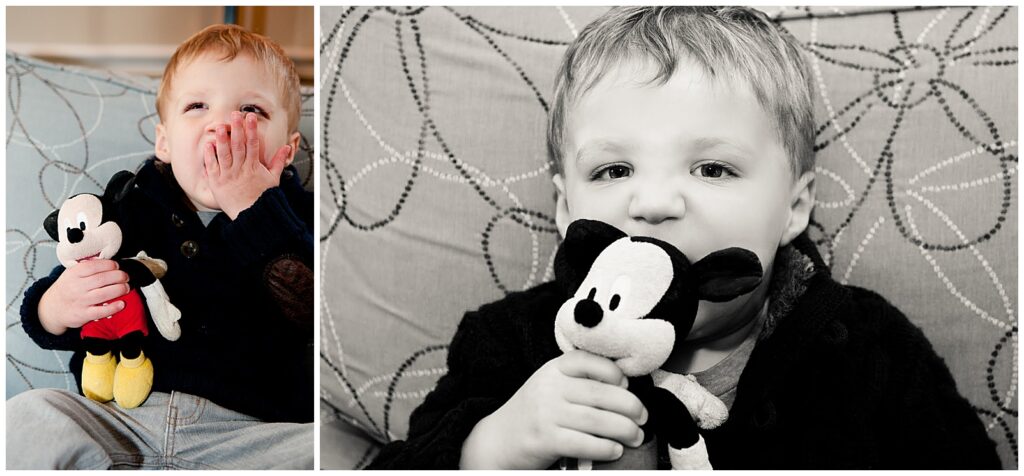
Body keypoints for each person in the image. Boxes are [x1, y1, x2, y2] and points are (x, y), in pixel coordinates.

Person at [369, 6, 1000, 470]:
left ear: (794, 207)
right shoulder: (509, 343)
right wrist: (491, 447)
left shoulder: (865, 351)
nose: (654, 203)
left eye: (714, 168)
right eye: (614, 170)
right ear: (565, 209)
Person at [8, 24, 313, 470]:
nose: (221, 125)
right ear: (164, 142)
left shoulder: (297, 221)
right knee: (27, 420)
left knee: (316, 452)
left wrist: (257, 212)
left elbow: (311, 312)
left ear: (286, 151)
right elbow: (74, 277)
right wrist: (53, 307)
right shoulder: (131, 207)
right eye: (197, 106)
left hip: (253, 435)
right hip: (118, 422)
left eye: (251, 110)